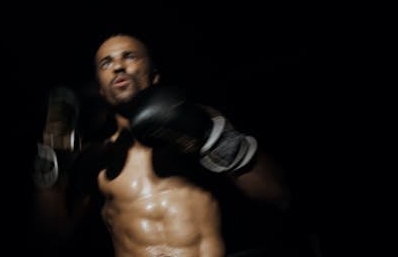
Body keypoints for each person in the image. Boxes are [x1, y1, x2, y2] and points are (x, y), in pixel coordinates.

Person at [31, 34, 293, 257]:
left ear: (154, 74)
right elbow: (55, 238)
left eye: (130, 56)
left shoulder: (199, 121)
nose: (118, 67)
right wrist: (51, 170)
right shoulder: (94, 156)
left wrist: (213, 139)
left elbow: (277, 194)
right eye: (106, 62)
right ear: (100, 88)